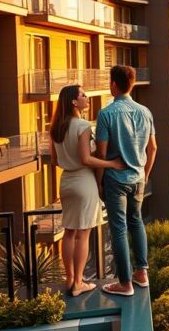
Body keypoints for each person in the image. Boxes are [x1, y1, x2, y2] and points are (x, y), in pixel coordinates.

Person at [49, 85, 125, 297]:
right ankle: (79, 283)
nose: (87, 96)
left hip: (66, 182)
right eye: (83, 94)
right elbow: (86, 159)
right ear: (74, 102)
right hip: (83, 181)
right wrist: (112, 164)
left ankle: (70, 279)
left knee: (69, 232)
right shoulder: (83, 125)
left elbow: (55, 160)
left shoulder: (56, 128)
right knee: (83, 234)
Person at [96, 65, 157, 296]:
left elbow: (101, 154)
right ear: (131, 85)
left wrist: (100, 183)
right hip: (138, 177)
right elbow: (153, 148)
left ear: (113, 84)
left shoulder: (106, 114)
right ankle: (141, 274)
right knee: (137, 222)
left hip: (115, 179)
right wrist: (145, 173)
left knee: (119, 229)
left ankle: (125, 282)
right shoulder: (145, 111)